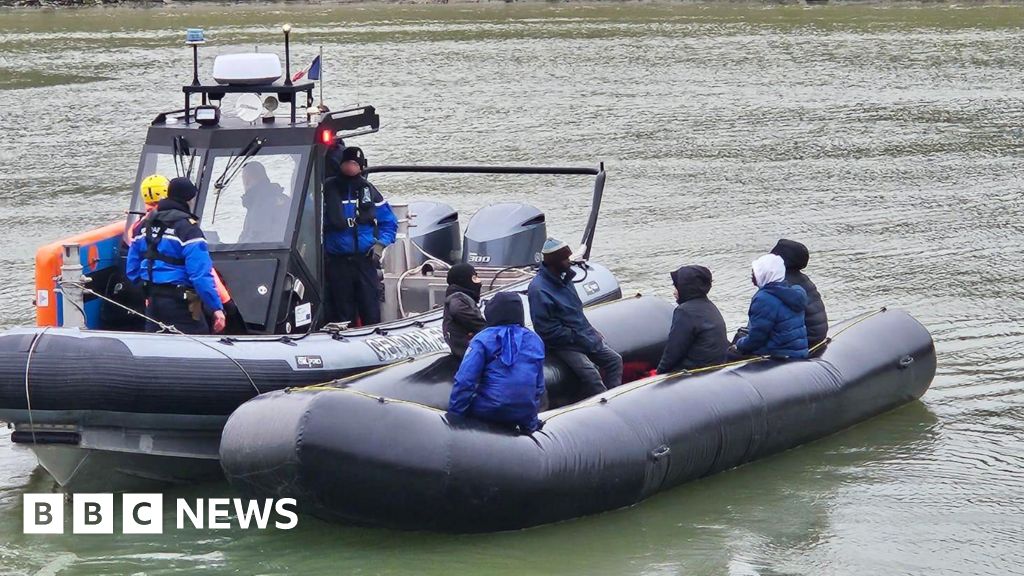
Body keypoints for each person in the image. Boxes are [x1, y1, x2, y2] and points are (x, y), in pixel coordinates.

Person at [126, 177, 225, 335]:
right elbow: (200, 275)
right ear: (189, 199)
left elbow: (132, 270)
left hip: (153, 302)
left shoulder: (143, 227)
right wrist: (216, 308)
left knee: (154, 344)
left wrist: (148, 292)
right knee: (200, 343)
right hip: (182, 305)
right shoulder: (189, 229)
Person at [527, 238, 622, 397]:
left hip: (582, 335)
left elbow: (576, 314)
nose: (569, 262)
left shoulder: (565, 279)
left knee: (614, 360)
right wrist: (577, 337)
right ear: (554, 262)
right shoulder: (539, 290)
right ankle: (604, 403)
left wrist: (591, 332)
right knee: (591, 375)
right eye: (565, 259)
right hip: (563, 344)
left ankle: (614, 396)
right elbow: (546, 330)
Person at [448, 292, 546, 432]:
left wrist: (454, 418)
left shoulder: (482, 339)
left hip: (489, 411)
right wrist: (531, 423)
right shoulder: (535, 340)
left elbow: (465, 380)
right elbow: (539, 387)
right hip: (524, 413)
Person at [322, 146, 398, 326]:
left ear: (361, 167)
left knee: (370, 308)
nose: (351, 167)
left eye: (355, 163)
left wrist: (380, 245)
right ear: (341, 164)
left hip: (365, 260)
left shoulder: (369, 191)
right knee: (342, 311)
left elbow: (389, 223)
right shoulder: (327, 190)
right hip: (337, 262)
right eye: (347, 163)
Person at [731, 254, 808, 359]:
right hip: (798, 352)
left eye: (754, 272)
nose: (751, 276)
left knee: (731, 352)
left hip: (777, 355)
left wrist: (739, 345)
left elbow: (757, 338)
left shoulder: (763, 299)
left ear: (764, 274)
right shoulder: (795, 293)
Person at [656, 265, 729, 373]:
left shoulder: (684, 311)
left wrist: (659, 373)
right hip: (716, 367)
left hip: (696, 371)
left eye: (676, 287)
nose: (674, 292)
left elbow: (674, 350)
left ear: (686, 288)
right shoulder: (710, 306)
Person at [770, 239, 828, 350]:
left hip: (804, 339)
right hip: (817, 336)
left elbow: (766, 321)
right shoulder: (803, 279)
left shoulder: (780, 283)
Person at [238, 161, 290, 243]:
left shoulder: (261, 205)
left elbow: (254, 242)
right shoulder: (282, 198)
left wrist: (235, 248)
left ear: (246, 180)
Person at [442, 263, 486, 357]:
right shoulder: (458, 297)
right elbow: (457, 309)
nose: (479, 282)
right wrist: (483, 326)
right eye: (474, 278)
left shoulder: (460, 297)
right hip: (466, 353)